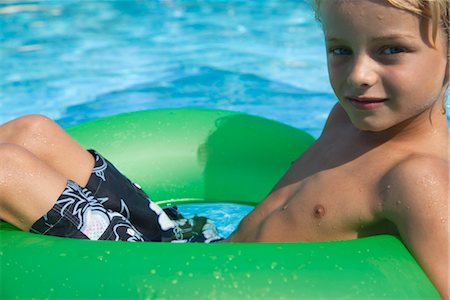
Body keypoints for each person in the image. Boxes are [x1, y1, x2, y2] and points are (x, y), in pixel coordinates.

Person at [0, 0, 448, 297]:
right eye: (340, 50)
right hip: (191, 248)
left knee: (5, 171)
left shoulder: (419, 178)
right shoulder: (345, 120)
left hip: (177, 284)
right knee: (31, 131)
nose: (358, 76)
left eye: (390, 50)